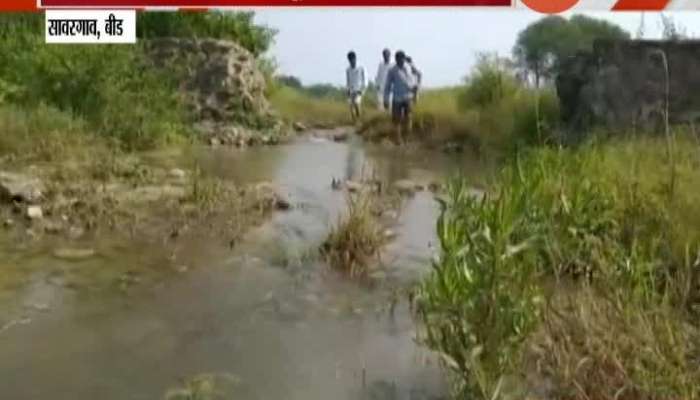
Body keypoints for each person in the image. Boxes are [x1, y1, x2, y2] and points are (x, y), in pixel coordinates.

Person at [383, 51, 415, 145]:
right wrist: (386, 100)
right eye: (397, 60)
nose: (399, 61)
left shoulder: (409, 67)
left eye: (401, 59)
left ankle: (407, 138)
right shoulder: (392, 70)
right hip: (397, 98)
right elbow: (387, 86)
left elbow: (417, 75)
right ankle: (398, 140)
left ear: (404, 59)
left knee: (408, 118)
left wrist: (416, 88)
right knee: (396, 120)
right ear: (396, 59)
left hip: (408, 96)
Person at [345, 51, 367, 122]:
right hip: (351, 89)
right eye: (350, 60)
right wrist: (347, 89)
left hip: (359, 89)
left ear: (355, 58)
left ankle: (359, 119)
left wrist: (362, 89)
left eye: (352, 59)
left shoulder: (361, 67)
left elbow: (365, 79)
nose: (352, 61)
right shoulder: (348, 69)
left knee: (357, 103)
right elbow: (348, 80)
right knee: (351, 105)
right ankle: (354, 121)